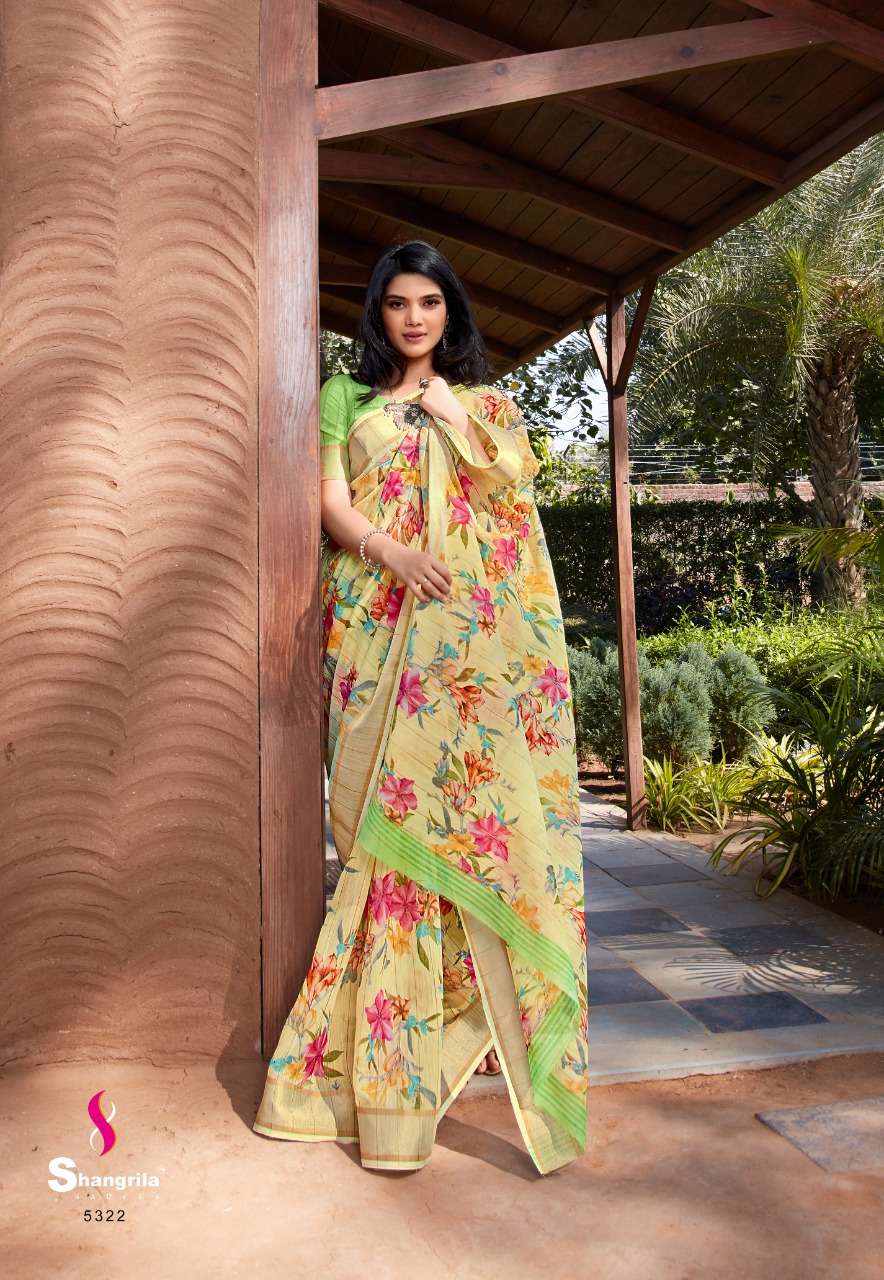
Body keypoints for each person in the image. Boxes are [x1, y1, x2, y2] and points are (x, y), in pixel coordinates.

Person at [253, 239, 588, 1174]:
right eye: (397, 303)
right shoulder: (344, 398)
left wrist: (454, 416)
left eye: (428, 304)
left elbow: (514, 488)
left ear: (450, 313)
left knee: (460, 823)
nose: (412, 318)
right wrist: (392, 553)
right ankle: (374, 1076)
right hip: (371, 623)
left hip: (460, 650)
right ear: (378, 312)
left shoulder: (481, 403)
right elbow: (330, 501)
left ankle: (422, 1060)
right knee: (370, 828)